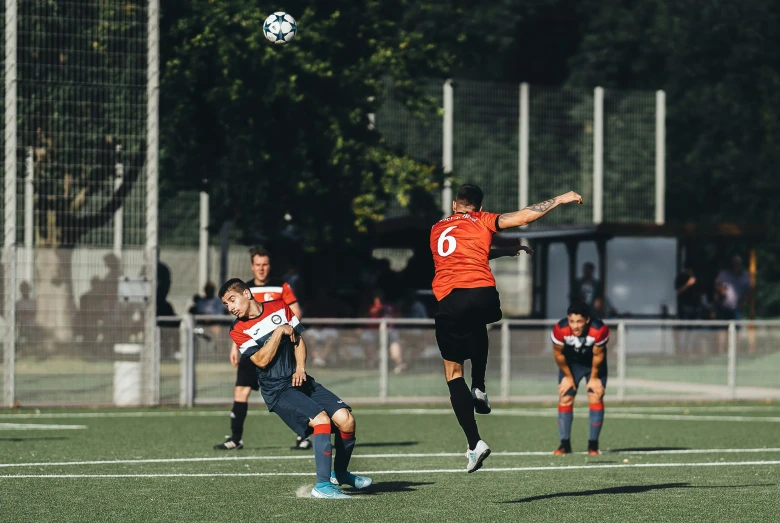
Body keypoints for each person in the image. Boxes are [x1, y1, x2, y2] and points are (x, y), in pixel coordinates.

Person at [430, 183, 582, 472]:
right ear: (478, 207)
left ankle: (474, 443)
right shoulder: (484, 220)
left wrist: (502, 251)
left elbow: (461, 254)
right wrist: (560, 198)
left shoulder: (437, 228)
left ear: (454, 205)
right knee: (478, 322)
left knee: (453, 371)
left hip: (450, 299)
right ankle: (480, 387)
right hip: (484, 295)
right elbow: (523, 217)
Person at [219, 278, 372, 498]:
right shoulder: (238, 329)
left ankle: (341, 474)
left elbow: (298, 340)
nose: (231, 307)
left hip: (300, 379)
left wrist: (300, 367)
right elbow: (261, 360)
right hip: (277, 390)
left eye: (232, 300)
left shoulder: (280, 307)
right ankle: (322, 486)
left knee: (346, 419)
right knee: (321, 420)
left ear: (247, 293)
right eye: (226, 304)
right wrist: (278, 332)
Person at [214, 247, 309, 451]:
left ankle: (304, 435)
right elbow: (241, 324)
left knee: (291, 390)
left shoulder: (281, 287)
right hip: (253, 349)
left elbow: (296, 311)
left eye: (265, 264)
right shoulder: (242, 289)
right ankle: (235, 438)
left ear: (269, 265)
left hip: (279, 350)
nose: (261, 268)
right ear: (252, 266)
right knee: (241, 391)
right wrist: (235, 348)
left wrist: (284, 333)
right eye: (257, 265)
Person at [551, 300, 610, 456]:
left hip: (594, 365)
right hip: (570, 365)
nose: (575, 326)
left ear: (587, 320)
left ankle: (593, 446)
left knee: (595, 395)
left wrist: (595, 378)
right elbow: (558, 354)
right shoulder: (560, 329)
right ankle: (564, 445)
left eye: (579, 321)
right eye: (571, 321)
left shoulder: (599, 330)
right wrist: (568, 377)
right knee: (565, 397)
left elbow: (598, 355)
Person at [714, 255, 753, 320]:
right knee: (722, 328)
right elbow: (716, 285)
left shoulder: (746, 276)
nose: (736, 265)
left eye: (737, 263)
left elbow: (750, 290)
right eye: (734, 263)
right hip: (724, 306)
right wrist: (721, 290)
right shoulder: (723, 274)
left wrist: (743, 302)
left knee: (737, 328)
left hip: (738, 307)